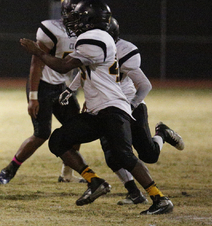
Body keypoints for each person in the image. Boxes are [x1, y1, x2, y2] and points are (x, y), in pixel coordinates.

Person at [20, 0, 174, 215]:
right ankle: (94, 182)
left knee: (124, 156)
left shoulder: (96, 37)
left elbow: (64, 67)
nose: (73, 22)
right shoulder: (93, 37)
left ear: (91, 19)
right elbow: (82, 71)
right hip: (95, 111)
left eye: (78, 18)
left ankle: (160, 198)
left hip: (112, 107)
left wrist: (37, 51)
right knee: (58, 140)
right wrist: (69, 91)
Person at [60, 17, 184, 205]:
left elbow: (145, 85)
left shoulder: (124, 51)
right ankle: (134, 192)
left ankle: (162, 134)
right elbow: (83, 70)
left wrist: (131, 107)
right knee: (113, 156)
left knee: (148, 155)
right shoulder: (95, 48)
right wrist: (71, 90)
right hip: (106, 108)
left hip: (128, 106)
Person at [0, 0, 85, 185]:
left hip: (63, 87)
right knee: (42, 133)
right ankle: (9, 169)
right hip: (43, 85)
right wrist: (33, 97)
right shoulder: (51, 29)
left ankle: (67, 173)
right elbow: (36, 63)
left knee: (77, 128)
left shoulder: (86, 34)